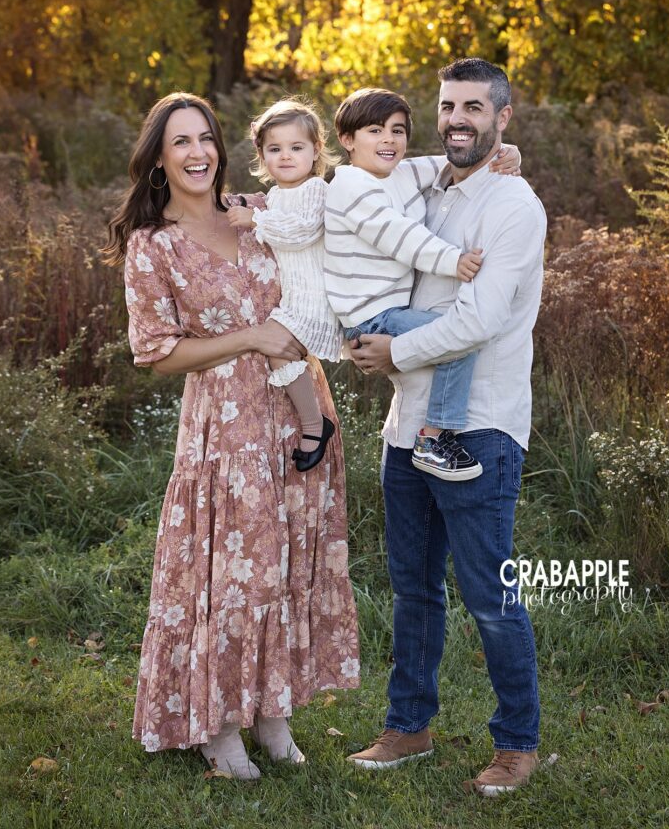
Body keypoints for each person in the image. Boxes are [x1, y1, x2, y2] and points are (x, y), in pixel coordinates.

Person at [102, 92, 359, 781]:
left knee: (286, 564)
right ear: (159, 159)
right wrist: (248, 337)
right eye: (180, 142)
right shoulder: (153, 244)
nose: (197, 153)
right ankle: (217, 727)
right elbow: (155, 351)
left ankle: (272, 713)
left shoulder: (260, 210)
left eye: (205, 138)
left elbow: (363, 198)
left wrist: (481, 167)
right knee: (229, 574)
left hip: (298, 411)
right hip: (226, 427)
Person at [348, 59, 547, 796]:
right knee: (413, 590)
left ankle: (517, 744)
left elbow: (479, 319)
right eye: (447, 105)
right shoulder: (424, 184)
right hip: (407, 426)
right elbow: (360, 177)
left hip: (479, 429)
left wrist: (393, 351)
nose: (456, 118)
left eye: (473, 107)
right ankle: (409, 727)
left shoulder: (513, 205)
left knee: (489, 595)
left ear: (503, 117)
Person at [325, 87, 521, 481]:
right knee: (455, 340)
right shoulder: (351, 187)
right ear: (347, 140)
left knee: (455, 336)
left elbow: (450, 163)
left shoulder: (400, 173)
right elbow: (399, 235)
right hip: (370, 317)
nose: (388, 140)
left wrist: (505, 151)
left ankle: (432, 436)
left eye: (397, 131)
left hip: (389, 310)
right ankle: (434, 438)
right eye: (375, 131)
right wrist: (453, 260)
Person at [224, 99, 343, 473]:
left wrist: (255, 220)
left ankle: (315, 425)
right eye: (275, 149)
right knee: (278, 352)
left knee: (278, 350)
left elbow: (302, 232)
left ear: (315, 150)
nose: (286, 156)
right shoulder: (274, 196)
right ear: (262, 155)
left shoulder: (316, 189)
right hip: (293, 297)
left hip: (315, 298)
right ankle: (312, 422)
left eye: (296, 147)